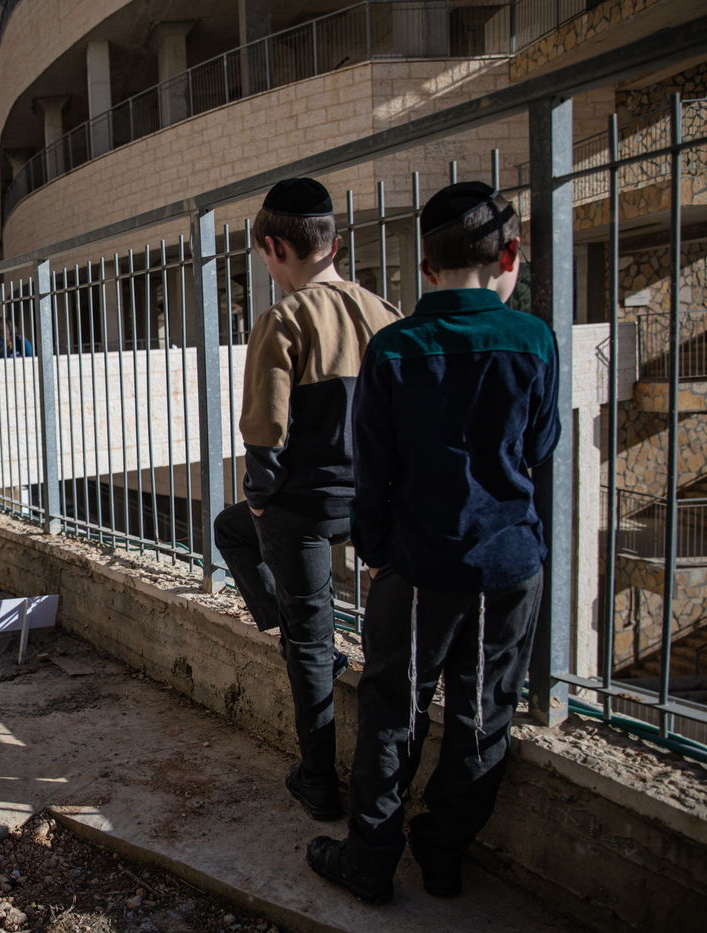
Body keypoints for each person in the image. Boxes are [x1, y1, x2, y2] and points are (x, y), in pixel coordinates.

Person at [307, 182, 559, 904]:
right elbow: (541, 442)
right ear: (508, 254)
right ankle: (444, 853)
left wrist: (376, 545)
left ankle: (371, 861)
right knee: (485, 716)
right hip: (511, 565)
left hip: (418, 568)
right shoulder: (535, 339)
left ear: (424, 267)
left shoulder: (393, 349)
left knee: (395, 712)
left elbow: (372, 468)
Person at [211, 179, 399, 822]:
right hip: (372, 504)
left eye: (264, 256)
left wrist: (260, 498)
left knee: (307, 636)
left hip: (302, 508)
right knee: (231, 532)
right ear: (334, 243)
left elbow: (264, 431)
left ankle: (319, 781)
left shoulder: (282, 319)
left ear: (273, 246)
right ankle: (295, 630)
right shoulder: (386, 313)